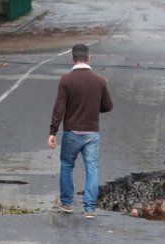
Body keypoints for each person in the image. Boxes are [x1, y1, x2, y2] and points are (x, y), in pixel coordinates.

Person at [48, 44, 113, 218]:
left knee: (67, 166)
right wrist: (92, 107)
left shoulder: (66, 80)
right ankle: (90, 208)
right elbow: (108, 106)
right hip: (92, 133)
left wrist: (53, 131)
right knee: (92, 168)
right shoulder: (99, 81)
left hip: (71, 133)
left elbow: (59, 108)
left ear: (72, 58)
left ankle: (66, 203)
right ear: (89, 58)